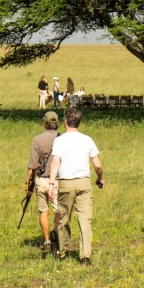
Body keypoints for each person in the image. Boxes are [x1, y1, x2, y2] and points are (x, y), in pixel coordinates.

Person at [49, 108, 104, 266]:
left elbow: (55, 162)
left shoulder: (60, 140)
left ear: (65, 122)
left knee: (64, 219)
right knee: (85, 220)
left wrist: (52, 183)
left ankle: (62, 251)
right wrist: (100, 178)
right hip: (84, 183)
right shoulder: (87, 139)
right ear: (79, 122)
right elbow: (97, 165)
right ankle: (85, 256)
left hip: (66, 182)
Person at [26, 111, 61, 253]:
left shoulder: (37, 139)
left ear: (45, 123)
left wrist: (28, 184)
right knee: (58, 211)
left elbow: (32, 165)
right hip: (57, 180)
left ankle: (46, 240)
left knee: (43, 211)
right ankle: (57, 236)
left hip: (40, 180)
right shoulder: (61, 138)